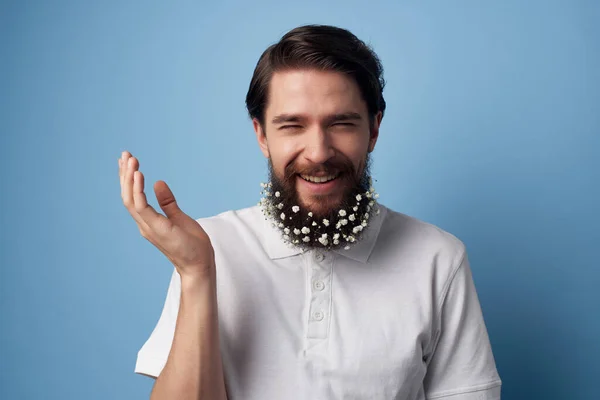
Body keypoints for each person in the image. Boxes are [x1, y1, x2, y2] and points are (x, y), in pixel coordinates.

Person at [120, 24, 502, 400]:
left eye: (341, 123)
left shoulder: (438, 258)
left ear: (373, 130)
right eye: (292, 126)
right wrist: (196, 273)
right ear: (261, 134)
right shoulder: (207, 247)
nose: (318, 152)